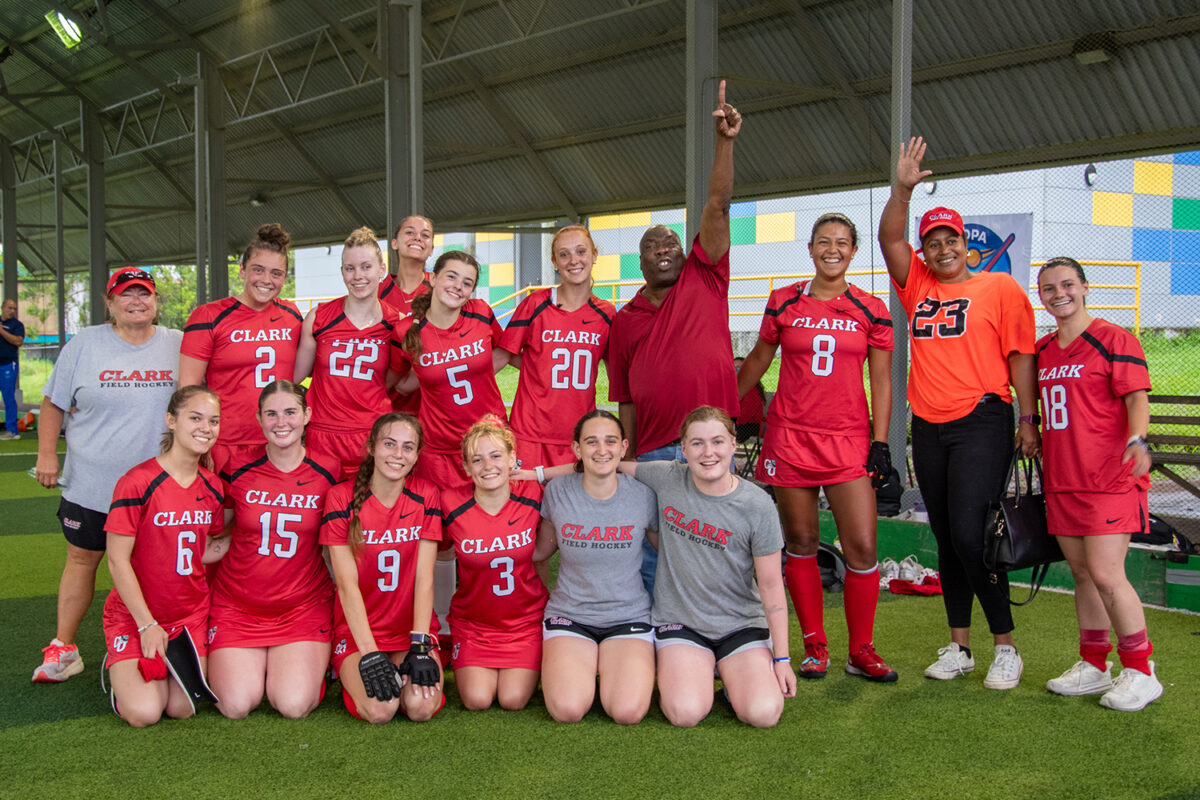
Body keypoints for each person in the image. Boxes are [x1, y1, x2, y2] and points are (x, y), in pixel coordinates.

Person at [878, 137, 1038, 690]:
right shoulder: (917, 283)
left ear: (965, 243)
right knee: (946, 539)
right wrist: (902, 191)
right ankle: (960, 646)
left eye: (951, 239)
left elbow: (1021, 356)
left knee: (974, 537)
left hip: (982, 420)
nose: (942, 248)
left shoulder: (999, 287)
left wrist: (1027, 419)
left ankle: (1006, 647)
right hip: (929, 425)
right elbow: (889, 236)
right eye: (933, 242)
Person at [738, 213, 897, 682]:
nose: (833, 249)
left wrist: (881, 442)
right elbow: (759, 359)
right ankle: (814, 646)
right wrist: (726, 411)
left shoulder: (871, 308)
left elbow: (882, 379)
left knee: (862, 547)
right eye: (824, 242)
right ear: (810, 249)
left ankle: (861, 650)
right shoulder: (784, 300)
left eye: (842, 242)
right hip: (790, 436)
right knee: (802, 542)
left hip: (848, 440)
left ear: (853, 251)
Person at [607, 80, 742, 591]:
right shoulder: (625, 319)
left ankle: (715, 635)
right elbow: (623, 397)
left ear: (687, 252)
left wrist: (725, 141)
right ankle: (652, 642)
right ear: (640, 262)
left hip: (708, 446)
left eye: (671, 242)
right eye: (651, 246)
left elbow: (718, 206)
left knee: (715, 546)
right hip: (656, 453)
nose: (663, 248)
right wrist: (630, 457)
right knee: (654, 551)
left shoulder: (706, 278)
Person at [32, 268, 182, 684]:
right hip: (93, 483)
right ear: (110, 302)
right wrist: (47, 454)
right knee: (82, 559)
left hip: (158, 488)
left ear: (156, 301)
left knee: (160, 567)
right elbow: (52, 404)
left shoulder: (177, 344)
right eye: (127, 295)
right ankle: (65, 647)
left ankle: (164, 641)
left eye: (145, 294)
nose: (137, 301)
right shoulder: (85, 343)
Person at [1035, 257, 1162, 711]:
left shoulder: (1114, 338)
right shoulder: (1044, 349)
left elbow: (1136, 398)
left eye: (1067, 284)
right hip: (1063, 480)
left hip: (1108, 478)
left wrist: (1137, 439)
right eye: (1048, 288)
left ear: (1085, 287)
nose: (1059, 294)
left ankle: (1142, 669)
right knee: (1084, 575)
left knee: (1108, 574)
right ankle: (1094, 663)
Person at [620, 406, 795, 728]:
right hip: (681, 622)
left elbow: (771, 585)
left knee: (763, 714)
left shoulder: (757, 505)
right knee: (685, 713)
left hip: (740, 623)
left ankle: (734, 677)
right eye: (697, 443)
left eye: (717, 442)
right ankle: (704, 671)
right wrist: (539, 475)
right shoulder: (669, 476)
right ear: (683, 449)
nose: (708, 452)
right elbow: (603, 463)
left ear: (732, 443)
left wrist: (782, 658)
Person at [207, 380, 339, 719]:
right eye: (272, 414)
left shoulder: (329, 470)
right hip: (238, 605)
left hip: (302, 606)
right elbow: (218, 531)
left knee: (293, 705)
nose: (282, 422)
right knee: (235, 705)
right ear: (259, 418)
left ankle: (312, 665)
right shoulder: (236, 465)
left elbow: (335, 547)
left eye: (291, 412)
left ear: (307, 415)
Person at [102, 386, 225, 727]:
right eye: (195, 418)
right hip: (138, 615)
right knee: (144, 713)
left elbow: (204, 548)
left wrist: (255, 540)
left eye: (213, 421)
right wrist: (146, 623)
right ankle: (117, 665)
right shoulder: (137, 481)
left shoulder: (213, 486)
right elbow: (117, 560)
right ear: (171, 421)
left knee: (182, 707)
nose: (206, 427)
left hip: (189, 615)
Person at [533, 410, 658, 724]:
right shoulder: (557, 491)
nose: (602, 450)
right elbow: (541, 553)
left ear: (623, 447)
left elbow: (669, 554)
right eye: (591, 442)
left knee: (627, 712)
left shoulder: (644, 495)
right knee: (567, 710)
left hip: (628, 615)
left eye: (610, 441)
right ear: (577, 449)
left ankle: (614, 668)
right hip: (571, 614)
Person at [319, 412, 443, 724]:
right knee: (381, 710)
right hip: (360, 630)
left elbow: (424, 580)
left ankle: (402, 669)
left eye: (407, 447)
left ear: (416, 455)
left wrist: (420, 644)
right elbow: (346, 586)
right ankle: (348, 670)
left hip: (408, 631)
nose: (398, 455)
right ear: (373, 447)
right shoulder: (341, 497)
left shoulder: (426, 495)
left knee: (420, 707)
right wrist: (370, 652)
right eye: (389, 444)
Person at [441, 417, 547, 711]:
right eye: (477, 459)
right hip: (474, 626)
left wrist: (534, 474)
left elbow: (579, 469)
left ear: (513, 458)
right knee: (477, 700)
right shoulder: (450, 503)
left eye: (496, 455)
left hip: (524, 624)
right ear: (465, 467)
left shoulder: (533, 494)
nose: (488, 466)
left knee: (513, 700)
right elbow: (440, 554)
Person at [179, 223, 302, 473]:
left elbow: (298, 374)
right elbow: (187, 392)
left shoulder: (292, 315)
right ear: (242, 270)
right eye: (258, 270)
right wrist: (197, 446)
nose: (267, 280)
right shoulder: (208, 316)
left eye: (276, 273)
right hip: (224, 444)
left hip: (277, 443)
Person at [500, 225, 616, 468]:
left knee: (568, 506)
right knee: (525, 504)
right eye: (564, 254)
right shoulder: (535, 304)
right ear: (554, 262)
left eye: (581, 251)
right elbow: (504, 355)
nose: (574, 260)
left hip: (577, 437)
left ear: (595, 254)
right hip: (529, 435)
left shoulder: (606, 314)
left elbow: (617, 369)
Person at [391, 250, 508, 490]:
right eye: (451, 277)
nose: (458, 287)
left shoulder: (480, 312)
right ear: (432, 279)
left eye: (467, 283)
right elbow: (398, 381)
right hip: (439, 450)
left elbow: (505, 351)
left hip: (489, 441)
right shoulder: (406, 331)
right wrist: (424, 376)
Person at [294, 227, 397, 480]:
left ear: (381, 270)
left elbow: (394, 381)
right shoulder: (319, 318)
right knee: (324, 515)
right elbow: (294, 377)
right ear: (342, 272)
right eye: (349, 268)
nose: (357, 276)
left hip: (373, 435)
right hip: (323, 436)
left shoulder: (397, 323)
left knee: (370, 516)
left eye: (366, 267)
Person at [380, 215, 435, 416]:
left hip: (430, 412)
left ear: (431, 249)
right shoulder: (375, 293)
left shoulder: (442, 292)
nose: (418, 238)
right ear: (394, 243)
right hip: (384, 408)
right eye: (410, 232)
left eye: (425, 235)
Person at [0, 297, 25, 440]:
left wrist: (2, 331)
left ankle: (12, 430)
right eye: (9, 308)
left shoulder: (17, 325)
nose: (12, 311)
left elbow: (18, 341)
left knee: (8, 397)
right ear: (3, 307)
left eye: (14, 308)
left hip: (8, 365)